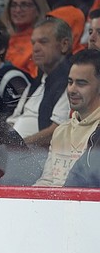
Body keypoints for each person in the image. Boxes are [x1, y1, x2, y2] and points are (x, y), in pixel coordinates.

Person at [6, 16, 72, 155]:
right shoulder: (36, 82)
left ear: (64, 44)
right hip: (17, 155)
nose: (35, 49)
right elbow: (14, 119)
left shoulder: (72, 81)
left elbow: (57, 131)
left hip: (38, 158)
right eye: (33, 42)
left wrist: (19, 146)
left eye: (43, 42)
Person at [36, 49, 100, 186]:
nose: (72, 89)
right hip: (53, 205)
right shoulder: (61, 131)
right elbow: (46, 182)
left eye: (81, 83)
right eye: (70, 82)